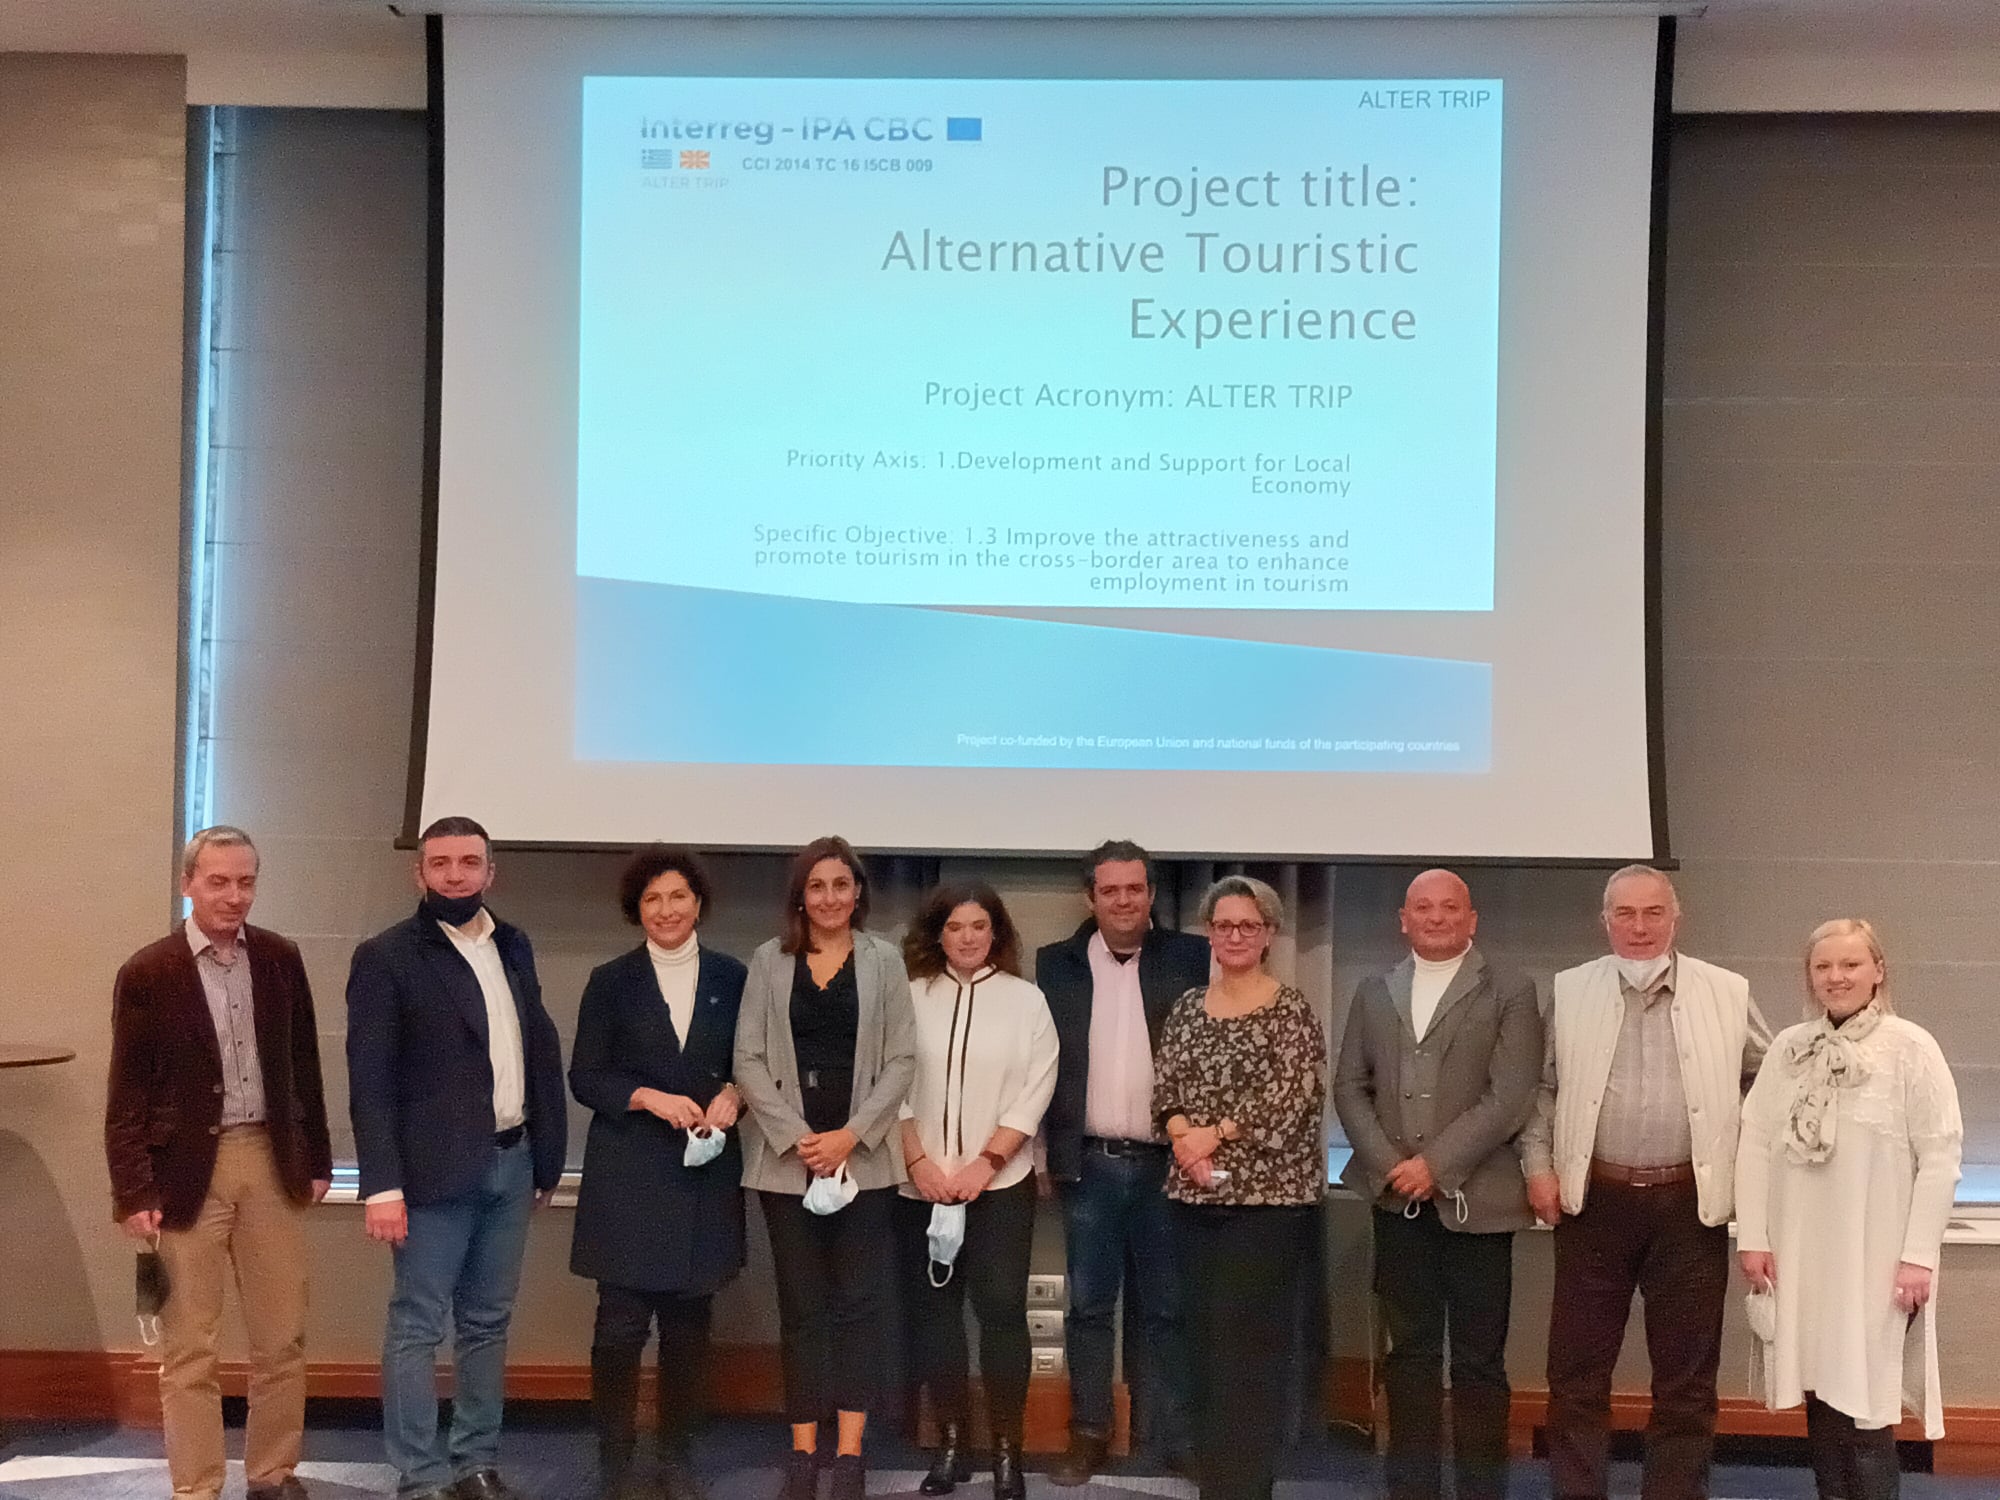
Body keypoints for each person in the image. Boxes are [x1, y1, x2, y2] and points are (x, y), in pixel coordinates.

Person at [1520, 864, 1772, 1500]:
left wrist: (1742, 1152)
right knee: (1576, 1374)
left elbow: (1771, 1084)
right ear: (1604, 921)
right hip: (1592, 1204)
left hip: (1691, 1207)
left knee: (1687, 1380)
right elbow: (1544, 1089)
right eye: (1625, 914)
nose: (1639, 927)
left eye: (1653, 912)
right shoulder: (1570, 990)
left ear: (1676, 919)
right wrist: (1538, 1165)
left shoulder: (1727, 992)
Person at [104, 826, 333, 1500]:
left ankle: (273, 1473)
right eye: (218, 882)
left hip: (270, 1160)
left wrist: (317, 1156)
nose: (234, 896)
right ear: (188, 884)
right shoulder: (149, 972)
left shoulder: (281, 958)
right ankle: (197, 1486)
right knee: (189, 1348)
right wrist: (132, 1190)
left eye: (246, 882)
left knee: (281, 1337)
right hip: (182, 1174)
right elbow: (127, 1092)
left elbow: (304, 1065)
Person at [346, 816, 568, 1500]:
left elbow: (536, 1050)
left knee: (487, 1323)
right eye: (439, 863)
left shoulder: (514, 944)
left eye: (469, 862)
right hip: (429, 1175)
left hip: (513, 1161)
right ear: (418, 873)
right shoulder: (387, 956)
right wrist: (382, 1185)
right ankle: (420, 1476)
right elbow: (370, 1080)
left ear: (490, 872)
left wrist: (547, 1159)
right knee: (417, 1324)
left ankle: (475, 1463)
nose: (454, 875)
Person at [1332, 869, 1542, 1500]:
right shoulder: (1374, 990)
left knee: (1479, 1363)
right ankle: (1411, 1489)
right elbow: (1350, 1087)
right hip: (1396, 1203)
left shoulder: (1510, 989)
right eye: (1423, 908)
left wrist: (1435, 1166)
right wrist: (1390, 1165)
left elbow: (1511, 1095)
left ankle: (1480, 1490)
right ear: (1404, 920)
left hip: (1481, 1205)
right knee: (1410, 1357)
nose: (1437, 917)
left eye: (1450, 907)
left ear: (1471, 919)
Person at [1735, 919, 1962, 1500]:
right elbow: (1755, 1141)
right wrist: (1754, 1237)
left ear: (1878, 971)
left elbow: (1940, 1156)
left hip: (1876, 1258)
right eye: (1823, 966)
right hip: (1800, 1253)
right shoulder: (1788, 1048)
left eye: (1851, 964)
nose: (1836, 977)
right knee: (1820, 1395)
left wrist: (1918, 1258)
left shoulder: (1911, 1048)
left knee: (1866, 1403)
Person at [734, 836, 917, 1500]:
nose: (830, 897)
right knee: (802, 1309)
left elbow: (901, 1060)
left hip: (861, 1160)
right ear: (800, 896)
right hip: (789, 1163)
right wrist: (799, 1138)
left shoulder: (884, 960)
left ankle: (849, 1453)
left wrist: (849, 1136)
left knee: (858, 1306)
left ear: (858, 892)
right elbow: (748, 1059)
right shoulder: (769, 960)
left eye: (842, 884)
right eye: (817, 886)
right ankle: (804, 1450)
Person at [570, 846, 749, 1500]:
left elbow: (755, 1063)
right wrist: (647, 1097)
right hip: (628, 1176)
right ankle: (615, 1459)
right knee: (619, 1329)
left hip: (703, 1174)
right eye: (652, 899)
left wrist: (735, 1095)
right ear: (636, 909)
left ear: (698, 903)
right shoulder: (610, 981)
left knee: (688, 1330)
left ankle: (677, 1455)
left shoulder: (733, 977)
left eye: (678, 897)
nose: (666, 910)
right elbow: (586, 1077)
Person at [1036, 839, 1210, 1483]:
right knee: (1087, 1309)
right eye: (1110, 890)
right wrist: (1041, 1153)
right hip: (1089, 1164)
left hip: (1170, 1163)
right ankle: (1089, 1434)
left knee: (1169, 1309)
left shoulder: (1191, 957)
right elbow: (1041, 1063)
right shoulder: (1055, 965)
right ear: (1091, 898)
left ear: (1152, 894)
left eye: (1134, 888)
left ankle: (1177, 1437)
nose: (1123, 900)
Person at [1154, 875, 1326, 1500]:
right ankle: (1214, 1483)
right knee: (1201, 1347)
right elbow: (1165, 1091)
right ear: (1209, 931)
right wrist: (1184, 1139)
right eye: (1224, 925)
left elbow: (1293, 1102)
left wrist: (1214, 1135)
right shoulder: (1186, 1007)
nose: (1234, 936)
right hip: (1193, 1200)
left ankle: (1247, 1486)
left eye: (1248, 926)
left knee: (1249, 1355)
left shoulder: (1290, 1009)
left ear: (1269, 934)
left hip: (1267, 1210)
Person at [895, 884, 1059, 1500]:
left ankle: (1006, 1452)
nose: (968, 937)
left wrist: (985, 1164)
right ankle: (951, 1444)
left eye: (979, 926)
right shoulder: (909, 997)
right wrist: (919, 1161)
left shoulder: (1027, 1002)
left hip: (1000, 1186)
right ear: (937, 934)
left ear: (997, 933)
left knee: (1001, 1313)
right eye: (955, 926)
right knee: (937, 1317)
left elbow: (1036, 1090)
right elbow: (888, 1084)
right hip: (922, 1184)